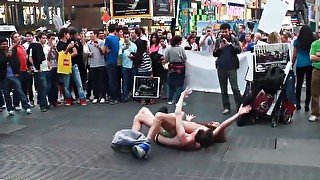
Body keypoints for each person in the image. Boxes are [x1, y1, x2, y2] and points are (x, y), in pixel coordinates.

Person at [131, 88, 252, 150]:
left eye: (215, 123)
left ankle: (145, 143)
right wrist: (239, 114)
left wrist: (182, 96)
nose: (215, 122)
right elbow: (223, 125)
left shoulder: (186, 138)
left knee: (159, 116)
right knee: (142, 111)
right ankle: (134, 138)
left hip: (166, 132)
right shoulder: (207, 135)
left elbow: (178, 114)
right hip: (169, 130)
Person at [213, 23, 242, 115]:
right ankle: (226, 107)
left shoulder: (234, 39)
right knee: (223, 89)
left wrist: (230, 45)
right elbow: (214, 54)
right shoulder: (218, 40)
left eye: (225, 31)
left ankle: (239, 106)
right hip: (221, 67)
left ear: (229, 31)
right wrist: (220, 48)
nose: (224, 33)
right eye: (222, 32)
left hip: (232, 67)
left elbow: (239, 50)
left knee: (235, 88)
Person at [291, 25, 315, 112]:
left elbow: (294, 55)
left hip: (300, 64)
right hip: (310, 64)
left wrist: (291, 63)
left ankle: (297, 103)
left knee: (299, 84)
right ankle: (307, 104)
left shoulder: (297, 42)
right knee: (309, 85)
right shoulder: (313, 41)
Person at [164, 35, 187, 105]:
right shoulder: (181, 49)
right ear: (179, 41)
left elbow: (166, 59)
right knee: (179, 84)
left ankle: (170, 99)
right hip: (180, 67)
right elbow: (184, 58)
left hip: (172, 67)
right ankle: (178, 101)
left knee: (171, 83)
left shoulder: (168, 49)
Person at [308, 31, 320, 121]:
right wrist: (316, 56)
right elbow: (311, 57)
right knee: (315, 92)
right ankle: (315, 113)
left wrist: (318, 55)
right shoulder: (314, 44)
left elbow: (315, 57)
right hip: (316, 70)